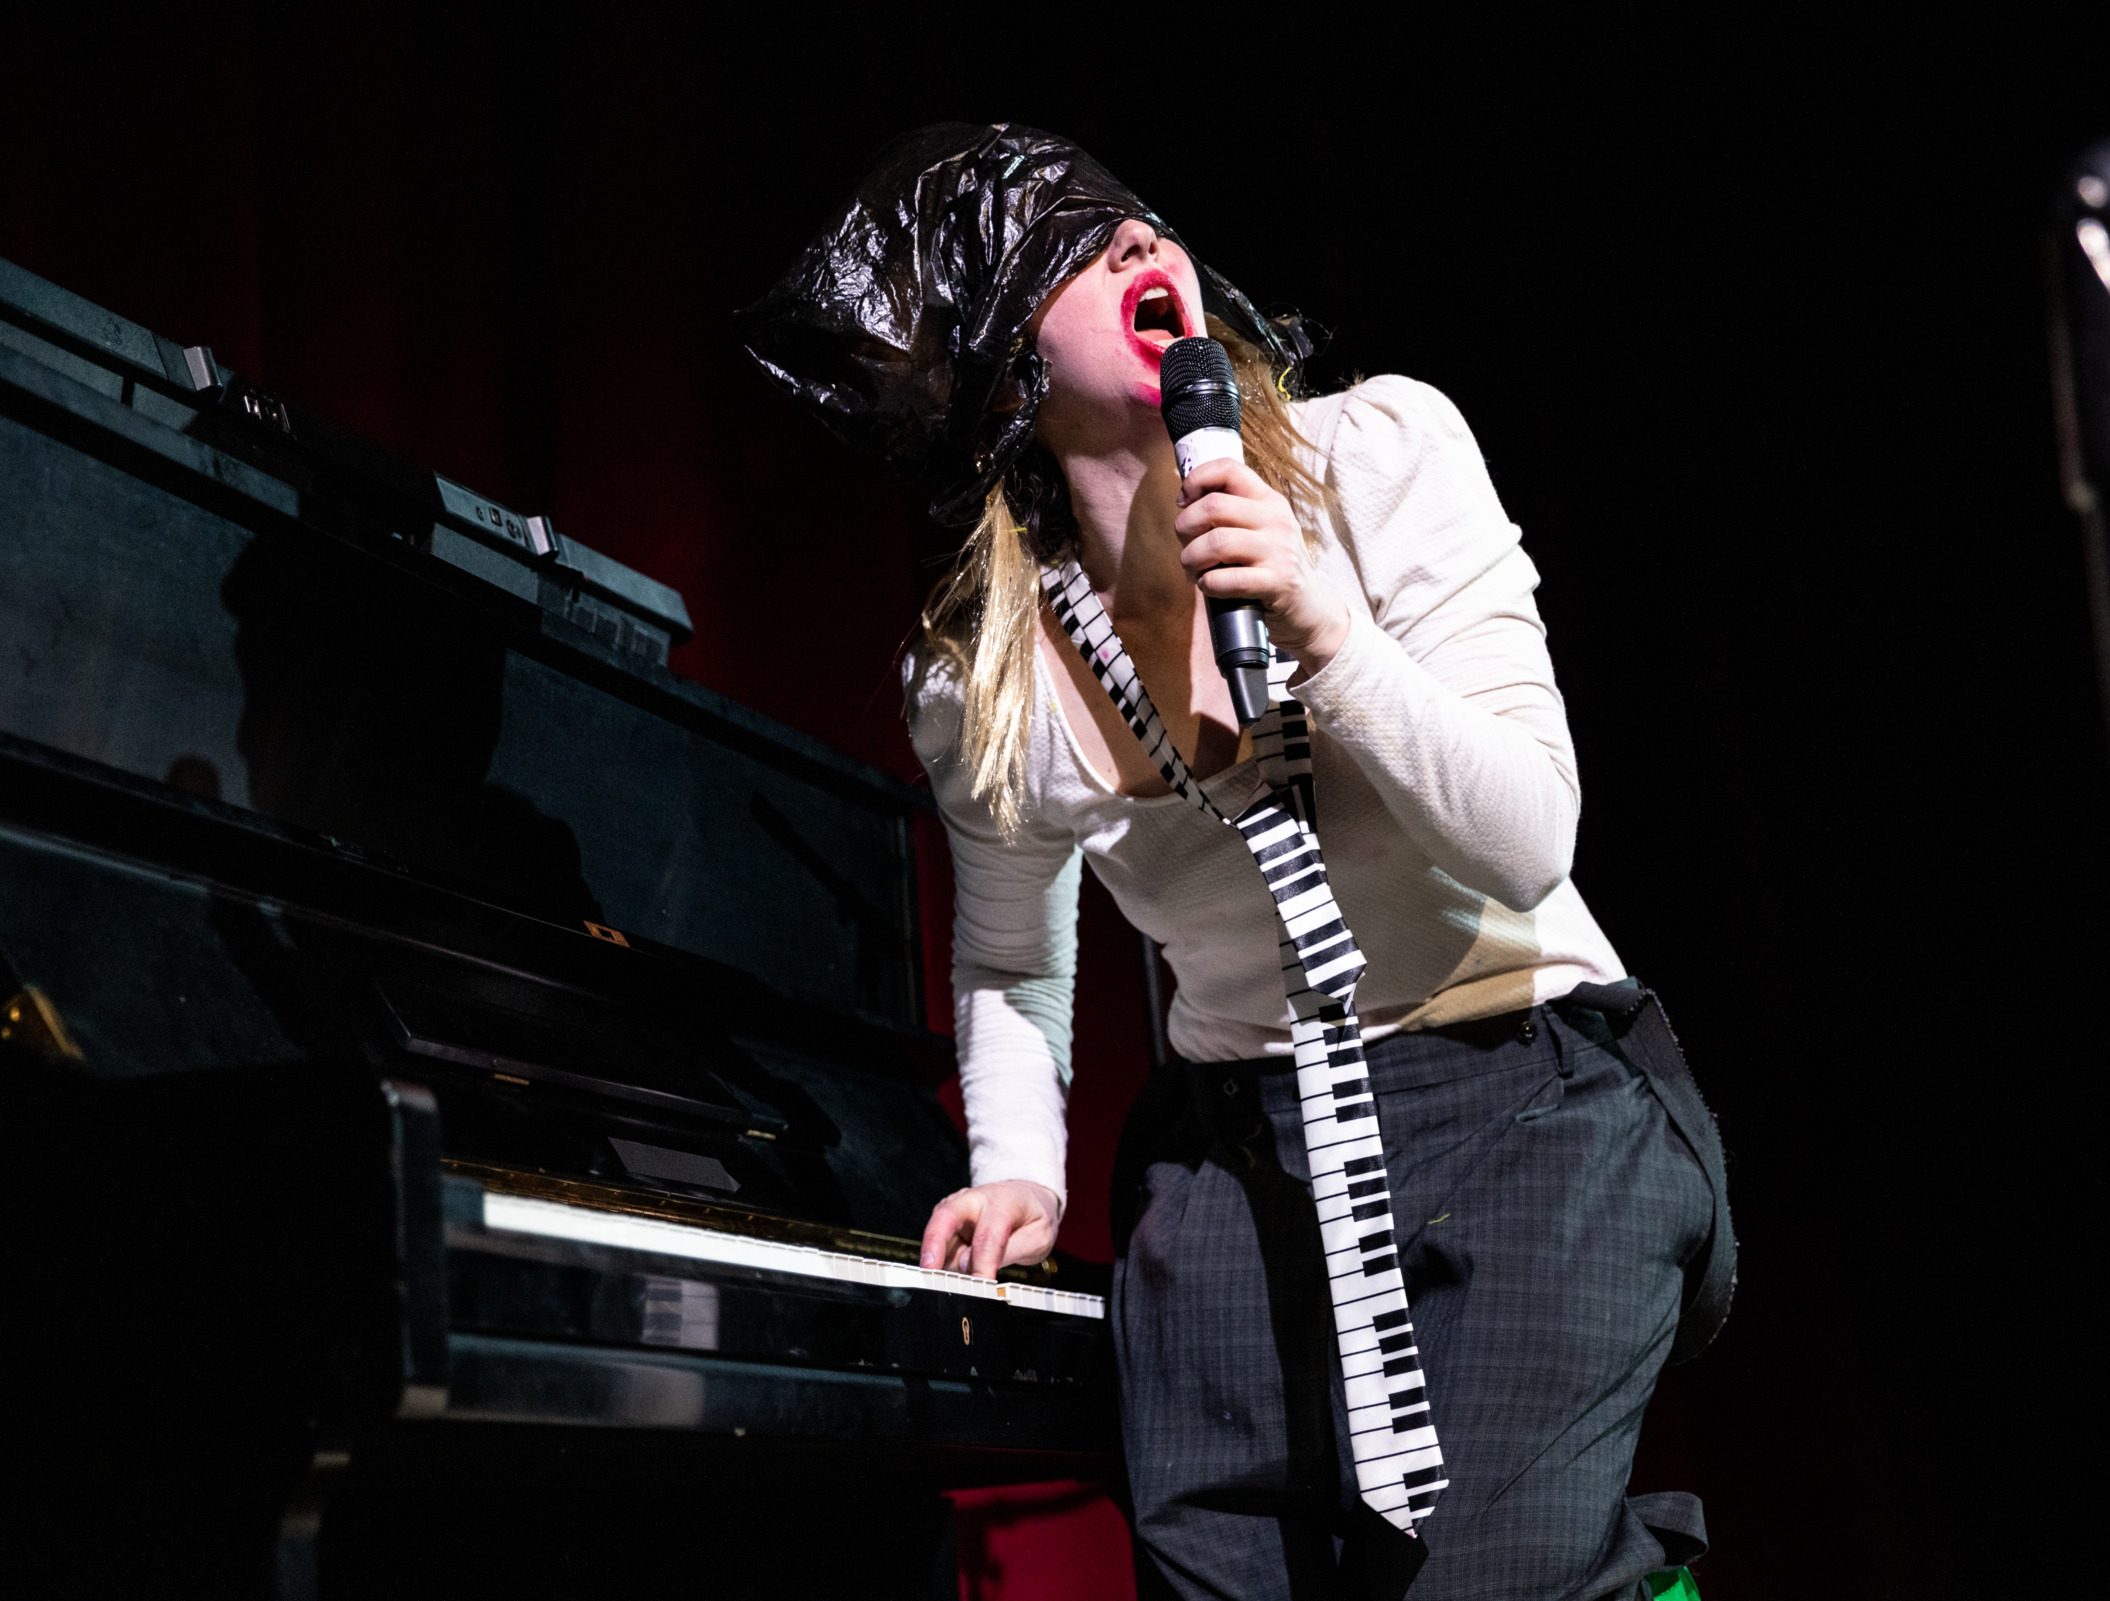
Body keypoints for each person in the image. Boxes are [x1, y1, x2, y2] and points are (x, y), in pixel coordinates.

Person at [740, 122, 1733, 1601]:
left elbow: (1529, 838)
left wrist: (1327, 632)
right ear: (1005, 377)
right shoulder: (984, 674)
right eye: (1073, 248)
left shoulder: (1380, 456)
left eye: (1137, 218)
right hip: (1244, 1149)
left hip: (1527, 1097)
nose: (1142, 245)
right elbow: (1015, 950)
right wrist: (1018, 1169)